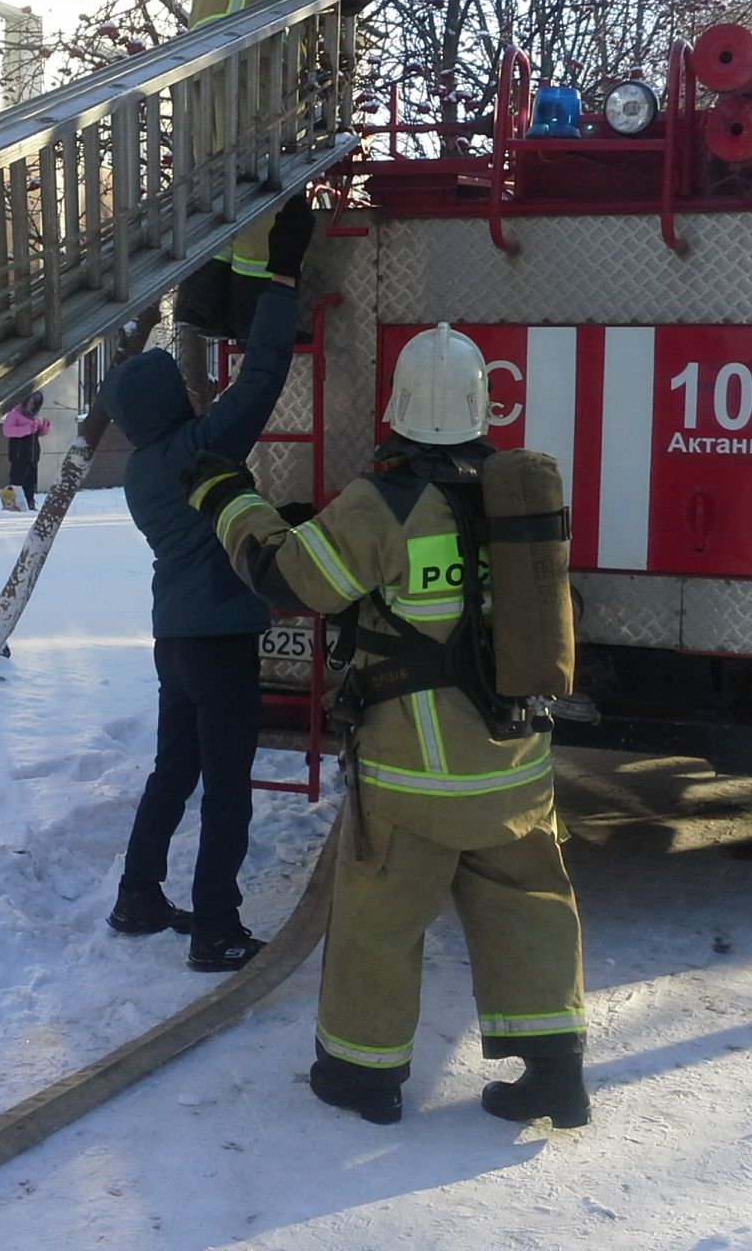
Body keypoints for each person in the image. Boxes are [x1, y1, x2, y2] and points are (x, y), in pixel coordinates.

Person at [186, 324, 589, 1129]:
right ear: (482, 403)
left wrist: (228, 498)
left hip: (417, 775)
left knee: (379, 917)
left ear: (399, 406)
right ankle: (556, 1074)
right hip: (515, 765)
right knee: (531, 904)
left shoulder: (385, 503)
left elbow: (290, 575)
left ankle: (361, 1076)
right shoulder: (517, 493)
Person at [102, 197, 316, 972]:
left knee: (175, 771)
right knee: (228, 788)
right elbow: (261, 378)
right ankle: (217, 928)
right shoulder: (198, 447)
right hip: (220, 641)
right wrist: (282, 280)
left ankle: (139, 895)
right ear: (169, 403)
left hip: (175, 640)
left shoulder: (143, 469)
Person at [178, 0, 394, 325]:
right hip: (260, 35)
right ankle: (251, 311)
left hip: (204, 40)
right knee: (262, 181)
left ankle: (203, 303)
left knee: (219, 178)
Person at [2, 391, 52, 510]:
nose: (32, 405)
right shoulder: (15, 414)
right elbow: (7, 430)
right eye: (31, 402)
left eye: (35, 403)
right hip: (19, 453)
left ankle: (29, 501)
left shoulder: (34, 417)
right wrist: (27, 429)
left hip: (33, 455)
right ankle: (10, 503)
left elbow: (40, 432)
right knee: (17, 479)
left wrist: (45, 427)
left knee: (31, 480)